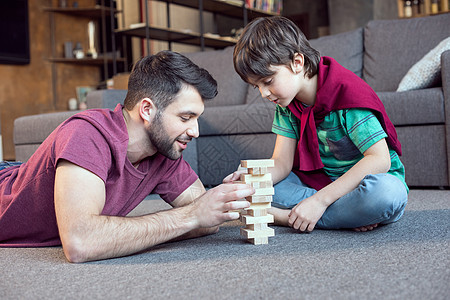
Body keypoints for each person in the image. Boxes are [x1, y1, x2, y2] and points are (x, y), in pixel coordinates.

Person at [0, 51, 253, 262]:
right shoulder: (87, 134)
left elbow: (206, 221)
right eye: (185, 118)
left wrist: (227, 197)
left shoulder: (164, 151)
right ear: (147, 110)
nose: (195, 131)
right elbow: (80, 242)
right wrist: (190, 216)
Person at [225, 16, 408, 233]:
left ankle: (287, 217)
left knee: (385, 194)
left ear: (297, 62)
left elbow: (380, 160)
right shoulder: (286, 104)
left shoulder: (347, 95)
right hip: (318, 183)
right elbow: (282, 163)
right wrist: (252, 180)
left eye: (268, 81)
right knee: (258, 191)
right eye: (257, 87)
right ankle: (342, 214)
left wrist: (320, 202)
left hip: (365, 183)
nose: (264, 93)